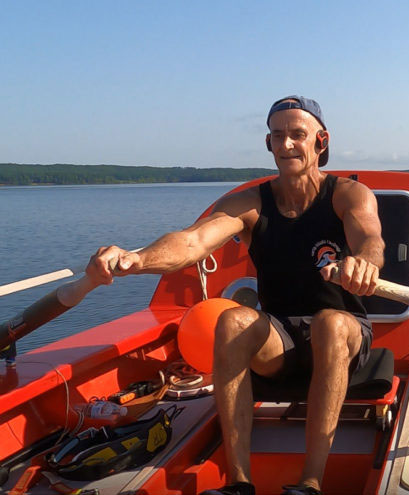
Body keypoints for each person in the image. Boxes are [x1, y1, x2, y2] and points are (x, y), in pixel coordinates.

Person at [86, 96, 385, 495]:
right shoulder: (252, 203)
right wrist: (136, 258)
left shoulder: (347, 194)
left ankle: (310, 482)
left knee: (330, 321)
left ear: (321, 140)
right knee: (231, 319)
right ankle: (239, 482)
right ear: (268, 143)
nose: (287, 145)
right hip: (281, 340)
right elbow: (192, 242)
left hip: (345, 333)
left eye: (298, 134)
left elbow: (371, 239)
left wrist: (365, 261)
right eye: (278, 136)